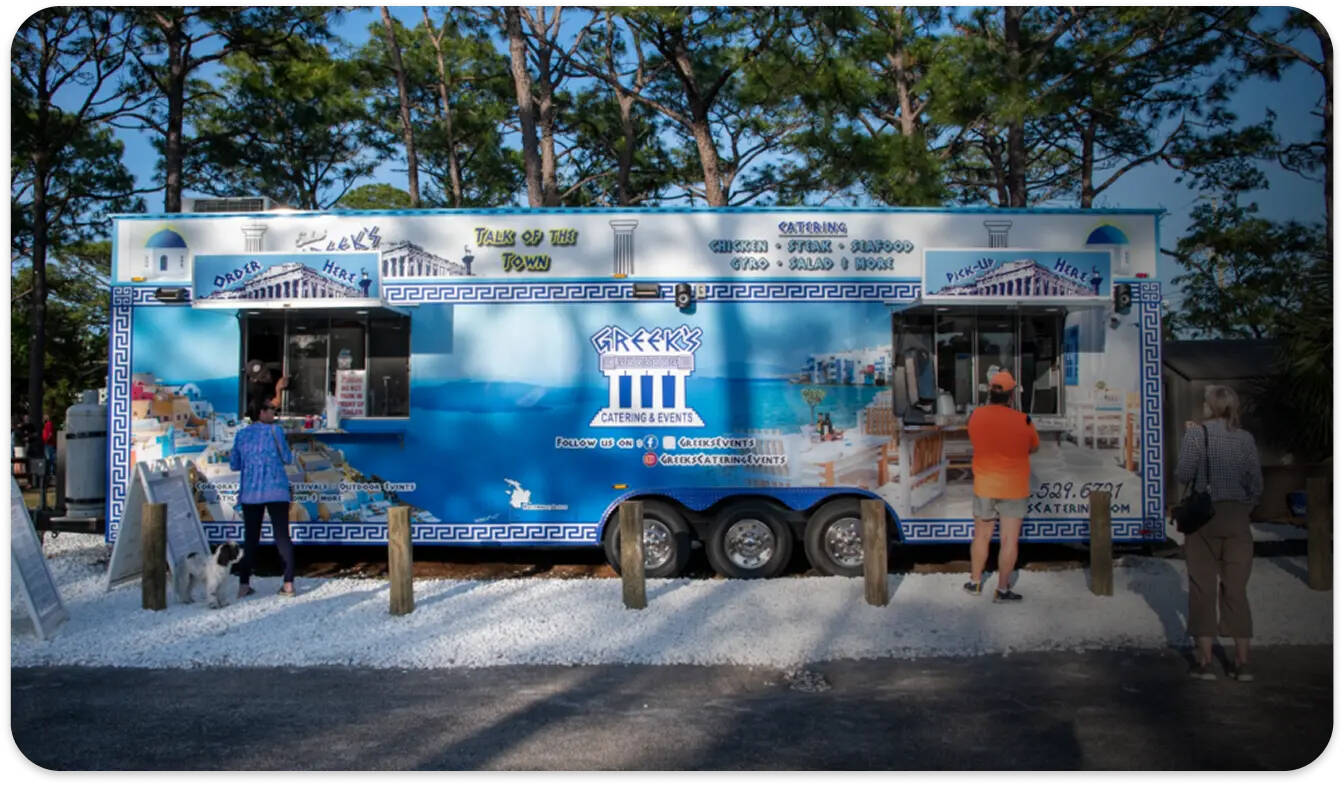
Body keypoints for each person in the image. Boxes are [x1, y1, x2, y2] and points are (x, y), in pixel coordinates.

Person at [1177, 384, 1262, 682]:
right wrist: (1243, 508)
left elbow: (1184, 473)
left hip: (1205, 519)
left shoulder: (1196, 434)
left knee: (1203, 587)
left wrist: (1189, 438)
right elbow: (1257, 484)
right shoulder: (1246, 438)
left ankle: (1205, 661)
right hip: (1238, 517)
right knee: (1236, 588)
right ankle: (1242, 662)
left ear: (1210, 406)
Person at [964, 370, 1039, 602]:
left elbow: (973, 438)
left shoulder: (976, 416)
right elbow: (1034, 447)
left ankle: (975, 583)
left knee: (981, 536)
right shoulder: (1024, 419)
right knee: (1008, 540)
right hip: (1014, 488)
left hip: (985, 485)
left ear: (990, 393)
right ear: (1011, 396)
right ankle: (1002, 589)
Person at [229, 397, 297, 597]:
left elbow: (234, 464)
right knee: (282, 537)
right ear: (260, 411)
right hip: (276, 489)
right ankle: (288, 584)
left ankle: (243, 585)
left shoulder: (241, 435)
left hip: (250, 493)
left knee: (250, 538)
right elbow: (287, 458)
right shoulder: (276, 431)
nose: (273, 414)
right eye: (270, 409)